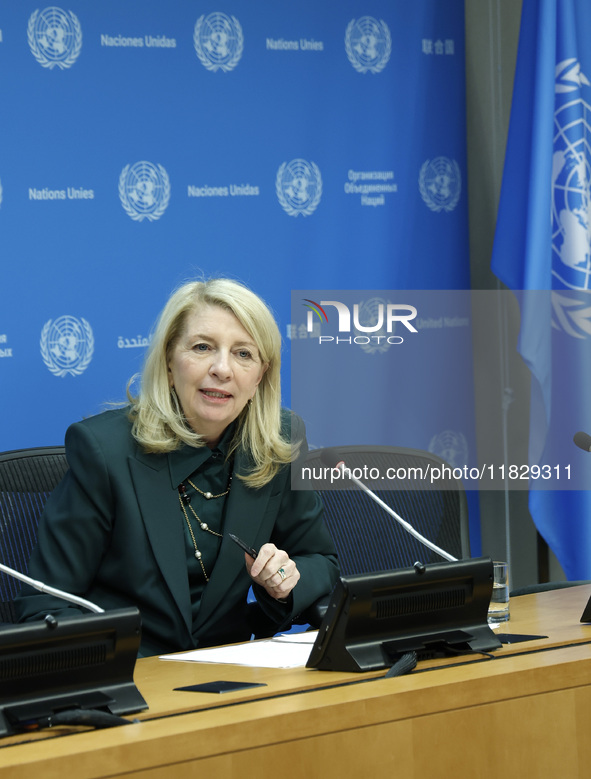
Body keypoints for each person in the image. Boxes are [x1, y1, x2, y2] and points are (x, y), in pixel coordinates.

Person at [14, 278, 339, 656]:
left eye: (243, 354)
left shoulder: (276, 441)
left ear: (261, 376)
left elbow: (320, 561)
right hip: (129, 675)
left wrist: (283, 582)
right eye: (202, 347)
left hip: (232, 672)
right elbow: (44, 607)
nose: (222, 369)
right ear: (170, 363)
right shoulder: (105, 451)